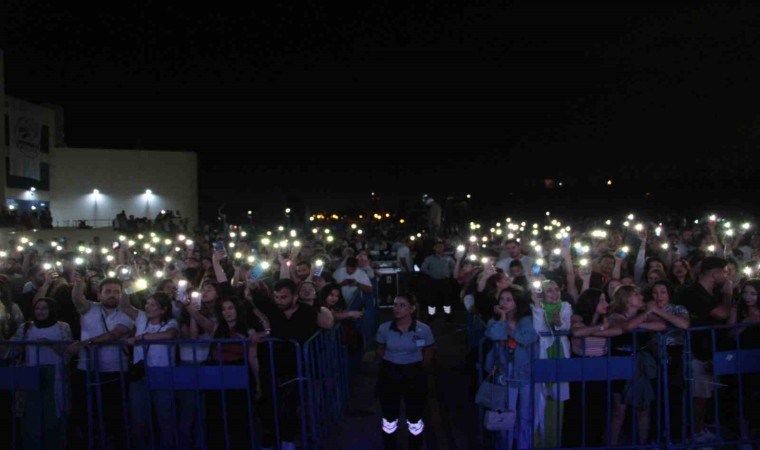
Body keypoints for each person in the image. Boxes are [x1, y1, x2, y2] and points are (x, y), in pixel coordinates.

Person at [65, 276, 134, 450]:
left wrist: (85, 343)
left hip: (115, 371)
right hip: (87, 369)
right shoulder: (90, 308)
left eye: (116, 292)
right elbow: (77, 300)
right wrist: (78, 283)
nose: (112, 295)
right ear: (99, 294)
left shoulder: (127, 314)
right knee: (87, 414)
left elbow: (114, 334)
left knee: (114, 415)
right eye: (108, 291)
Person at [375, 293, 434, 450]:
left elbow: (428, 352)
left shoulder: (424, 329)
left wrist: (419, 367)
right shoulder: (384, 328)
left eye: (402, 305)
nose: (397, 308)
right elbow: (380, 349)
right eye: (395, 304)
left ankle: (415, 446)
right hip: (390, 372)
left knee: (415, 416)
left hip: (414, 373)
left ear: (412, 309)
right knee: (389, 417)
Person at [121, 292, 179, 450]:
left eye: (153, 305)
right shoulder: (141, 318)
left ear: (163, 309)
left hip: (162, 374)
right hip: (141, 373)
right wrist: (128, 288)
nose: (147, 307)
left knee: (165, 417)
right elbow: (124, 306)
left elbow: (169, 335)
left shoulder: (171, 323)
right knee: (138, 418)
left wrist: (141, 338)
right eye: (147, 303)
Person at [11, 297, 72, 450]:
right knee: (30, 413)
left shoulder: (63, 327)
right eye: (37, 308)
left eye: (44, 308)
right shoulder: (25, 328)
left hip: (55, 373)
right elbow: (13, 348)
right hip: (29, 371)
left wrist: (50, 344)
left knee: (54, 413)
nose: (40, 312)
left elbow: (68, 352)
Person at [484, 286, 537, 449]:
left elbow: (527, 338)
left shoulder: (526, 320)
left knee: (525, 414)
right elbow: (494, 334)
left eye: (509, 300)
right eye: (501, 299)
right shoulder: (495, 320)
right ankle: (506, 445)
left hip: (524, 373)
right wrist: (502, 318)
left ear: (517, 302)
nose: (504, 303)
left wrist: (510, 332)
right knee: (507, 412)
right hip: (504, 374)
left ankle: (523, 445)